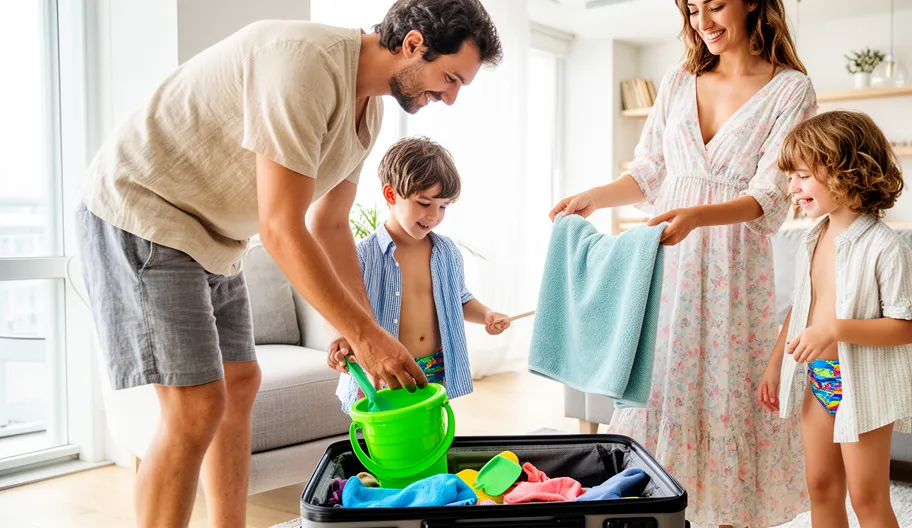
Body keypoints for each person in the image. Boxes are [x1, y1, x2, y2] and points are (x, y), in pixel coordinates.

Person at [73, 1, 501, 526]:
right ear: (413, 44)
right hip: (143, 209)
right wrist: (364, 334)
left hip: (214, 236)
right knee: (196, 407)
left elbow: (329, 224)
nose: (451, 98)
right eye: (450, 77)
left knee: (239, 384)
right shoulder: (306, 65)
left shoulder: (368, 111)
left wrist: (356, 324)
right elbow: (280, 226)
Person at [549, 0, 815, 525]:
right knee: (656, 394)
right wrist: (594, 198)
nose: (703, 23)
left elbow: (771, 196)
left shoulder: (791, 89)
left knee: (728, 397)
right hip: (667, 268)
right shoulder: (677, 80)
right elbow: (649, 171)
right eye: (692, 10)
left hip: (734, 275)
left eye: (715, 6)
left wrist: (699, 215)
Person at [759, 110, 912, 528]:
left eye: (801, 175)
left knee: (867, 499)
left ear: (845, 171)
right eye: (790, 177)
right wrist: (775, 361)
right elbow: (801, 310)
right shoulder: (811, 238)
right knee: (820, 487)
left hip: (863, 385)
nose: (792, 187)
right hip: (817, 379)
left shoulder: (886, 248)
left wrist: (836, 328)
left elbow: (911, 327)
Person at [326, 137, 511, 408]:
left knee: (430, 436)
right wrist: (339, 337)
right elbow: (338, 304)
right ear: (391, 195)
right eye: (424, 203)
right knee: (382, 441)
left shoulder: (447, 252)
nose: (434, 216)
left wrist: (486, 315)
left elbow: (459, 299)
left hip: (434, 368)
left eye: (443, 206)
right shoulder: (362, 255)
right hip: (381, 370)